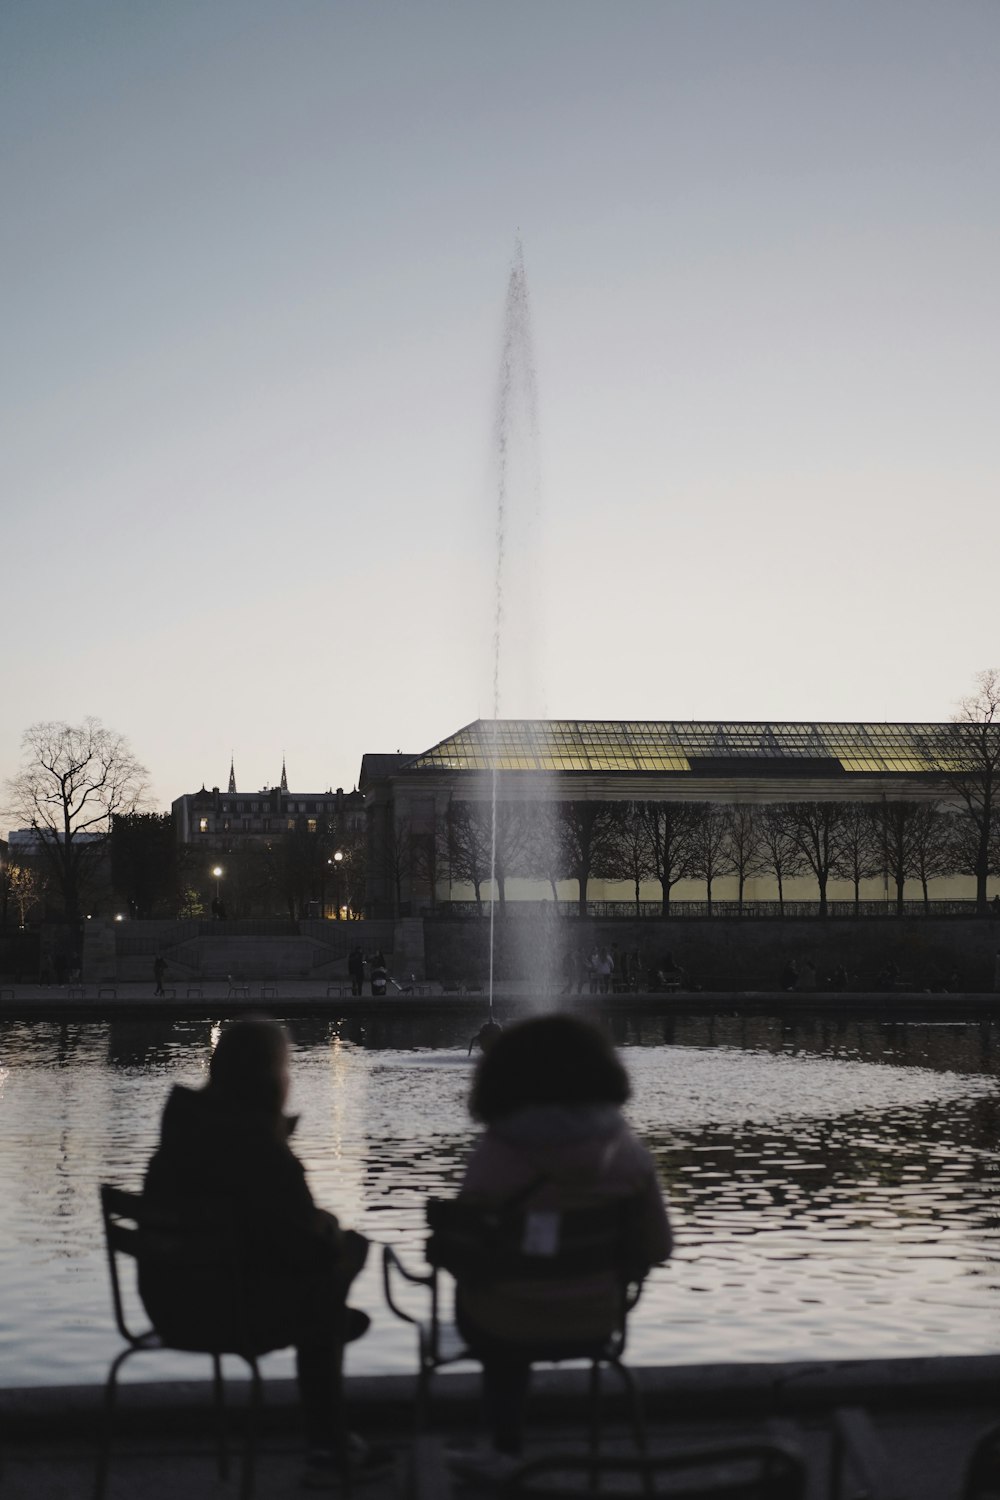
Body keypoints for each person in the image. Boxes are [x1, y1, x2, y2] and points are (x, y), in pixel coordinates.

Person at [139, 1018, 388, 1490]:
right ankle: (328, 1446)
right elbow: (304, 1245)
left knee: (323, 1290)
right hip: (231, 1310)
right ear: (271, 1077)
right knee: (340, 1264)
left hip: (168, 1304)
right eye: (286, 1067)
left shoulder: (180, 1136)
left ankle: (329, 1440)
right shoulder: (258, 1148)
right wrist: (335, 1236)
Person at [454, 1015, 672, 1474]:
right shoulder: (628, 1153)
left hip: (501, 1318)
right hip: (597, 1318)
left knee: (497, 1313)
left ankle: (502, 1444)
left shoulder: (495, 1154)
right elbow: (657, 1246)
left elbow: (463, 1248)